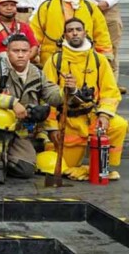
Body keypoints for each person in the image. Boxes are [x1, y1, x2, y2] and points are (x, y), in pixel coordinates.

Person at [42, 18, 126, 181]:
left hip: (93, 116)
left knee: (119, 125)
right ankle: (90, 169)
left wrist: (104, 114)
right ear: (65, 35)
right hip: (67, 121)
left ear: (85, 33)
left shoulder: (99, 60)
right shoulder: (54, 61)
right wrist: (51, 128)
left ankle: (105, 166)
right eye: (70, 30)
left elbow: (110, 91)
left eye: (78, 29)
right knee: (65, 168)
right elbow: (46, 98)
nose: (74, 33)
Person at [0, 34, 60, 184]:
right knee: (0, 118)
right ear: (7, 52)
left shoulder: (37, 73)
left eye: (24, 51)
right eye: (16, 51)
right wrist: (12, 103)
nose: (21, 55)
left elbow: (52, 94)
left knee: (26, 169)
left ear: (31, 52)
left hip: (21, 129)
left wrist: (70, 92)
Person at [30, 0, 112, 68]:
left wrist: (105, 58)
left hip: (84, 60)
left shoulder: (90, 7)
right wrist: (32, 55)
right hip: (52, 61)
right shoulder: (46, 7)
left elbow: (102, 34)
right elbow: (34, 34)